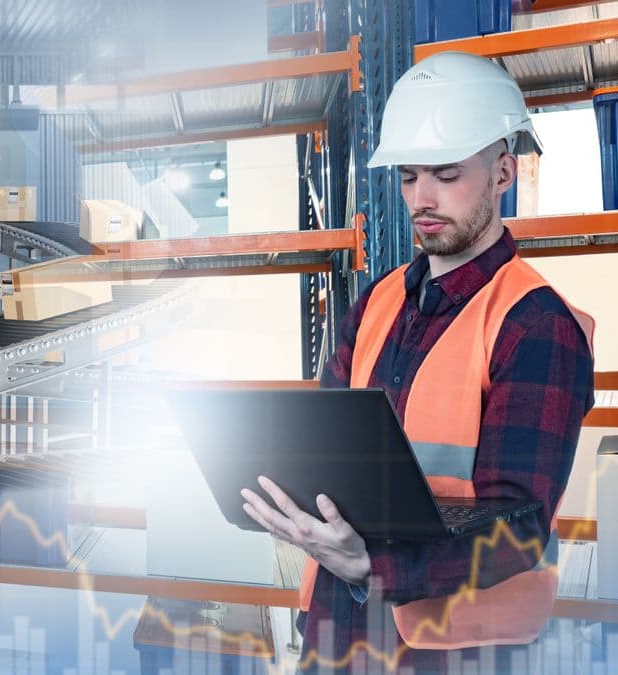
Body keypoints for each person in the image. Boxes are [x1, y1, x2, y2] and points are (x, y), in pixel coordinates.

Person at [240, 51, 596, 673]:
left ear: (503, 171)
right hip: (339, 634)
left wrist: (369, 566)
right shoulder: (378, 301)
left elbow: (520, 527)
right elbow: (320, 449)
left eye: (446, 173)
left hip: (451, 652)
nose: (422, 198)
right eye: (408, 176)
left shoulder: (536, 324)